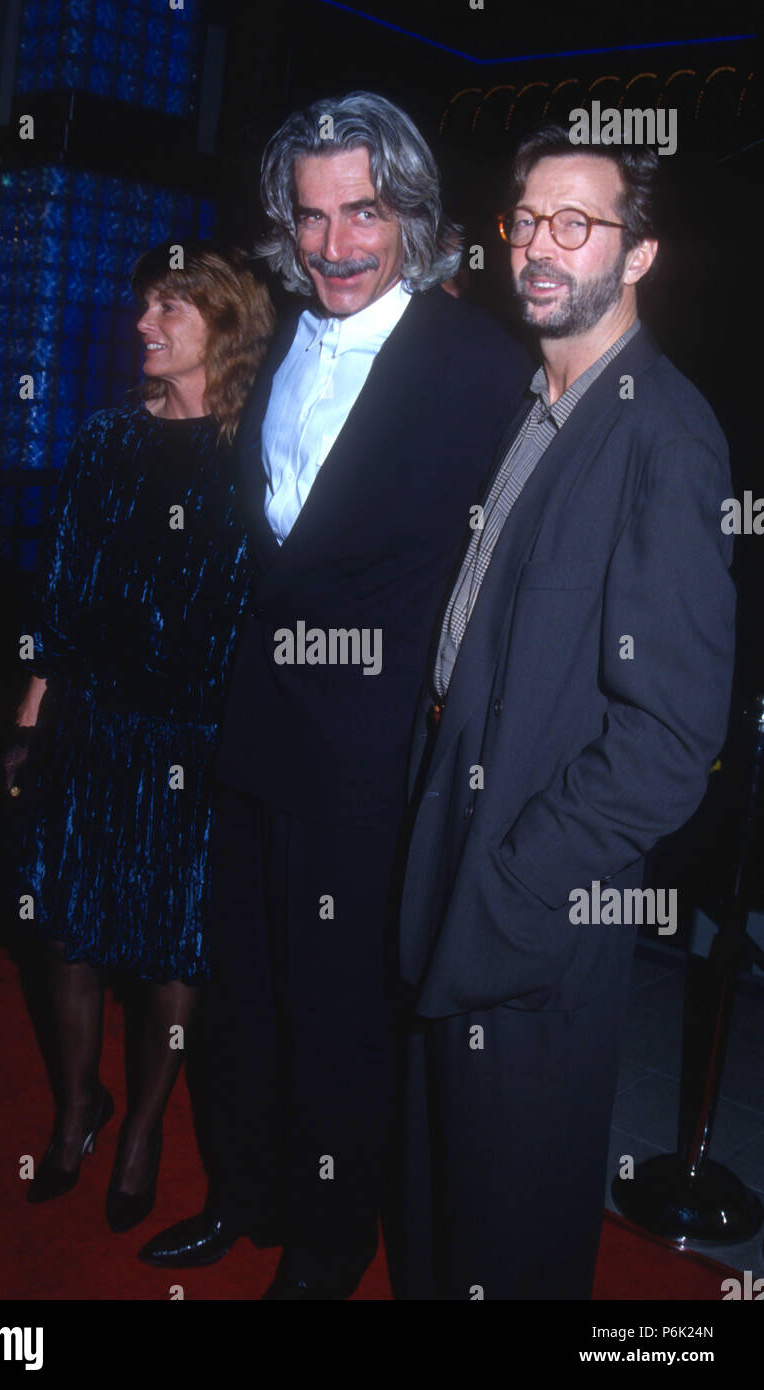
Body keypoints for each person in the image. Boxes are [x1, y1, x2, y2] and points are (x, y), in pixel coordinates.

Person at [140, 91, 530, 1297]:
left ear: (407, 215)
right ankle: (242, 1191)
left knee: (340, 1019)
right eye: (310, 218)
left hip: (369, 762)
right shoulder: (275, 349)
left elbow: (511, 565)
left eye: (360, 211)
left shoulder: (477, 366)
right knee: (243, 1000)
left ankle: (324, 1243)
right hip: (252, 736)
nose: (334, 244)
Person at [397, 124, 736, 1299]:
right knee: (440, 1200)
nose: (540, 249)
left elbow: (669, 741)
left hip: (533, 907)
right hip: (456, 856)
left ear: (636, 253)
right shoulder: (533, 402)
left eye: (576, 224)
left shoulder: (662, 435)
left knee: (511, 1223)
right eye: (526, 221)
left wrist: (519, 878)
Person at [7, 242, 274, 1233]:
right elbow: (61, 589)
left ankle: (144, 1127)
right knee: (68, 928)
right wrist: (32, 718)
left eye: (169, 308)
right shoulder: (105, 439)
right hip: (95, 720)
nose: (142, 324)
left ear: (224, 323)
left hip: (194, 740)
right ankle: (80, 1103)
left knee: (172, 945)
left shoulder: (258, 456)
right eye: (145, 305)